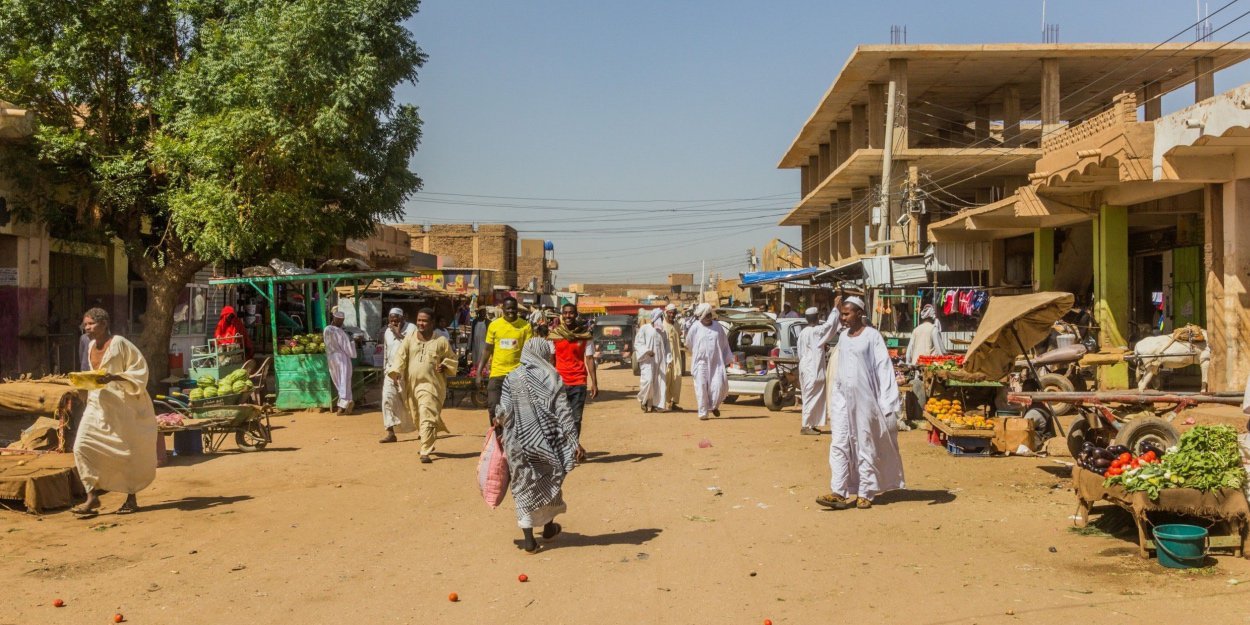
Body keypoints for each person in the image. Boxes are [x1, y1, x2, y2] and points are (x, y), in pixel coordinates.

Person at [817, 296, 905, 511]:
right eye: (842, 314)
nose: (843, 318)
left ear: (858, 313)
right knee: (839, 443)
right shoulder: (844, 337)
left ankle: (866, 492)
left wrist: (888, 403)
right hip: (842, 399)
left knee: (865, 444)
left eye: (846, 314)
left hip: (865, 401)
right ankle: (838, 491)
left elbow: (884, 369)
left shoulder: (872, 337)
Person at [71, 308, 157, 517]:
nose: (87, 328)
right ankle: (92, 495)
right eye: (86, 324)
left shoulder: (120, 344)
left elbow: (139, 371)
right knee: (81, 446)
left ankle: (131, 497)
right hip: (97, 404)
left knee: (127, 453)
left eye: (91, 323)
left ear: (104, 324)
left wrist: (114, 377)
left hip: (123, 406)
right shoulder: (89, 345)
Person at [495, 339, 578, 554]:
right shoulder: (552, 376)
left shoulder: (512, 377)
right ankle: (549, 527)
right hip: (547, 444)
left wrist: (498, 422)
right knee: (549, 480)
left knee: (523, 485)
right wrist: (574, 441)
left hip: (518, 443)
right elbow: (564, 412)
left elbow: (503, 411)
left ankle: (530, 539)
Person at [388, 308, 457, 463]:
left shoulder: (441, 341)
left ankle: (424, 450)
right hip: (412, 386)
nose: (421, 323)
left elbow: (452, 359)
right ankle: (429, 439)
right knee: (418, 415)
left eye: (425, 320)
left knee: (427, 413)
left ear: (432, 323)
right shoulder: (410, 338)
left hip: (432, 386)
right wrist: (396, 371)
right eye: (419, 320)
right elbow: (401, 356)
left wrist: (445, 366)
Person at [550, 303, 597, 462]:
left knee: (576, 419)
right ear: (562, 315)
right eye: (566, 313)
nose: (568, 316)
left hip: (579, 382)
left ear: (576, 314)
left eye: (571, 313)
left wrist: (594, 383)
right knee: (560, 418)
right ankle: (564, 449)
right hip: (560, 383)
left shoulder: (584, 335)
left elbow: (589, 359)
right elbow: (551, 360)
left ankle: (572, 448)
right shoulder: (555, 335)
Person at [481, 297, 532, 424]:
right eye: (508, 308)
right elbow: (487, 349)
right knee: (493, 408)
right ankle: (498, 437)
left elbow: (529, 352)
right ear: (503, 309)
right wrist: (479, 372)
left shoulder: (525, 326)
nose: (511, 311)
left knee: (516, 411)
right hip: (497, 374)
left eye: (514, 308)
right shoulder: (494, 325)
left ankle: (512, 439)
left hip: (517, 374)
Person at [797, 299, 843, 436]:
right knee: (811, 396)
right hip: (813, 369)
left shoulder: (803, 333)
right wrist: (835, 308)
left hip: (806, 367)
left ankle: (811, 423)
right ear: (817, 318)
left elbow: (801, 352)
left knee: (810, 396)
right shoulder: (816, 331)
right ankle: (806, 425)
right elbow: (829, 326)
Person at [684, 303, 733, 420]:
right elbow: (689, 343)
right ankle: (703, 412)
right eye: (706, 315)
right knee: (701, 386)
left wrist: (724, 359)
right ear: (701, 316)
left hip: (716, 363)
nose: (708, 316)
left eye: (709, 314)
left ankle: (714, 406)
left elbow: (724, 343)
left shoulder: (718, 327)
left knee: (718, 385)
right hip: (701, 363)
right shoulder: (695, 327)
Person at [379, 308, 417, 444]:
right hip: (390, 372)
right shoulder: (387, 332)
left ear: (403, 319)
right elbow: (386, 351)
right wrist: (385, 369)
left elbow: (413, 346)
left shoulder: (412, 328)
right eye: (391, 320)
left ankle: (421, 429)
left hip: (407, 371)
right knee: (387, 399)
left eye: (397, 320)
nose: (394, 322)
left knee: (412, 402)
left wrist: (399, 334)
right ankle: (390, 432)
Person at [634, 308, 668, 413]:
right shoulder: (645, 328)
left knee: (658, 383)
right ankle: (643, 400)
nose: (661, 319)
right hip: (647, 360)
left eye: (662, 317)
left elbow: (667, 346)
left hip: (660, 361)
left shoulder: (662, 331)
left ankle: (655, 405)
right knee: (648, 381)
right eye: (659, 317)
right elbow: (638, 343)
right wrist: (646, 351)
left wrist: (669, 359)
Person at [324, 309, 357, 415]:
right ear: (336, 319)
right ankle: (343, 405)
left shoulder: (326, 329)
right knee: (344, 381)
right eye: (340, 320)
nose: (341, 322)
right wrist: (353, 342)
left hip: (331, 358)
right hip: (342, 359)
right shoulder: (340, 332)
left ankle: (346, 402)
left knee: (338, 381)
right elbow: (348, 349)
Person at [662, 304, 685, 411]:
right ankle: (663, 402)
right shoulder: (662, 325)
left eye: (673, 313)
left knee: (677, 378)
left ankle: (673, 402)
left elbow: (679, 336)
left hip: (677, 356)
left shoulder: (676, 324)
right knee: (666, 378)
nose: (671, 315)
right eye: (669, 313)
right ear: (666, 313)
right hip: (665, 357)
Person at [470, 307, 490, 376]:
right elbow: (471, 334)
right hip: (475, 344)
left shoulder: (488, 322)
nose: (483, 313)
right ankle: (475, 374)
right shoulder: (475, 322)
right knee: (475, 360)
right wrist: (468, 347)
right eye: (482, 312)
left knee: (484, 359)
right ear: (479, 313)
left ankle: (484, 374)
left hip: (485, 345)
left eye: (484, 312)